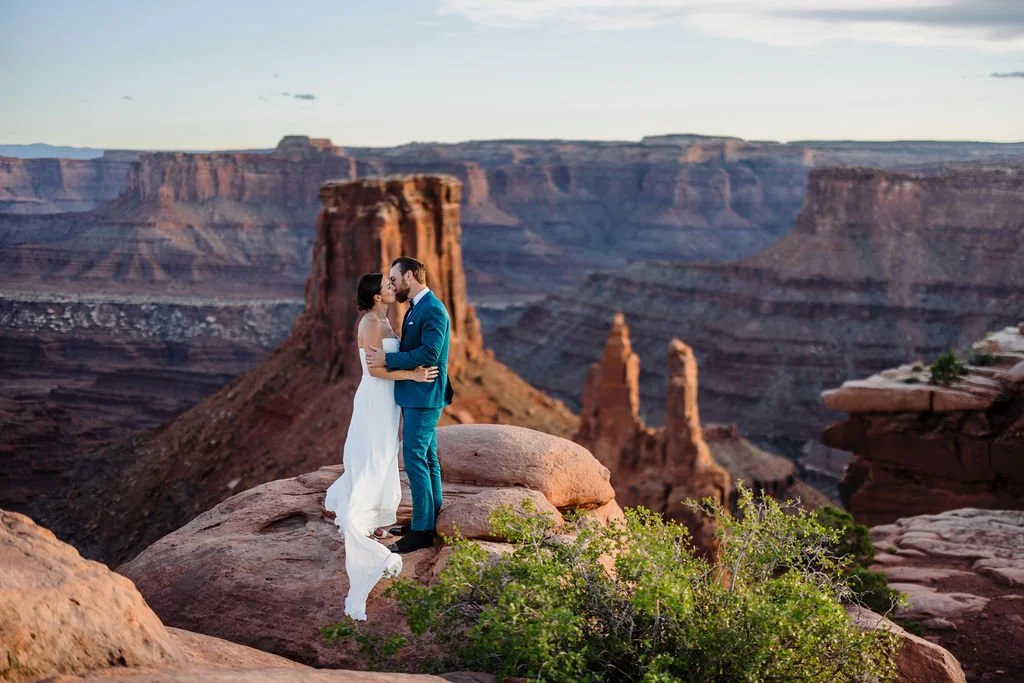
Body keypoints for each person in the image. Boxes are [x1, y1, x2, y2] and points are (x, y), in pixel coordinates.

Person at [323, 272, 438, 620]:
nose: (393, 288)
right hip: (376, 397)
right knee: (375, 455)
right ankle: (364, 515)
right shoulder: (371, 323)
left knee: (384, 455)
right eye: (387, 286)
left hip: (387, 401)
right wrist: (414, 376)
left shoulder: (382, 319)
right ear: (376, 295)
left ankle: (375, 509)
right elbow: (375, 371)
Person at [365, 256, 454, 554]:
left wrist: (388, 360)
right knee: (427, 458)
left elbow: (430, 352)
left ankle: (421, 532)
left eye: (395, 278)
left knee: (414, 457)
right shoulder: (417, 308)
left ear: (411, 277)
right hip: (416, 394)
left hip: (425, 395)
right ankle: (429, 518)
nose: (392, 284)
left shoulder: (433, 310)